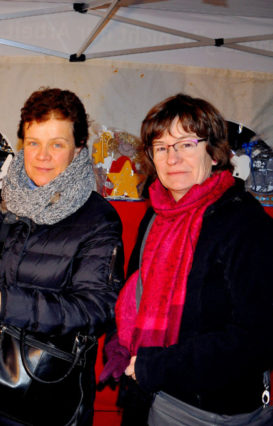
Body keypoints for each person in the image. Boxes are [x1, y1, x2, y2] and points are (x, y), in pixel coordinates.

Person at [0, 88, 124, 425]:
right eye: (33, 142)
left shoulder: (97, 220)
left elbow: (98, 309)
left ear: (78, 148)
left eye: (57, 144)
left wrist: (6, 304)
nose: (42, 155)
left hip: (44, 400)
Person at [106, 93, 273, 424]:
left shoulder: (244, 223)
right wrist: (120, 343)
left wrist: (157, 366)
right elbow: (133, 293)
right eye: (162, 147)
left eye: (186, 144)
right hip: (147, 398)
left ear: (213, 153)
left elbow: (260, 336)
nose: (172, 158)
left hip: (209, 411)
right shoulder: (155, 216)